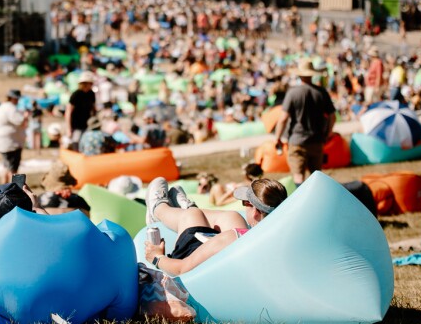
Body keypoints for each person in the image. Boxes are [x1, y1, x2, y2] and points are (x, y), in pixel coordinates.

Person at [142, 176, 287, 277]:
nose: (244, 207)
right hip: (231, 262)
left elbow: (182, 268)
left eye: (245, 203)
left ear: (255, 210)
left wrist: (156, 257)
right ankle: (185, 209)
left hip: (192, 267)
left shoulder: (233, 237)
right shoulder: (280, 233)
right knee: (232, 216)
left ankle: (159, 210)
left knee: (192, 215)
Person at [272, 58, 336, 185]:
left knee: (298, 176)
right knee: (316, 177)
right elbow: (332, 116)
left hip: (297, 141)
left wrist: (277, 138)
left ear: (299, 74)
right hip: (317, 140)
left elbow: (283, 118)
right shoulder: (322, 92)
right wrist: (327, 134)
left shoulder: (293, 93)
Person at [0, 89, 27, 184]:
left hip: (4, 141)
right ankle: (13, 189)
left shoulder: (2, 106)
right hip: (11, 142)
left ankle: (4, 188)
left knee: (6, 167)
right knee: (13, 170)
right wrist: (25, 116)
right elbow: (19, 121)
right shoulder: (11, 108)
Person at [65, 71, 96, 147]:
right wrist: (68, 128)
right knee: (76, 142)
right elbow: (68, 112)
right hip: (76, 125)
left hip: (87, 124)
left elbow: (93, 108)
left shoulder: (91, 94)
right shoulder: (76, 94)